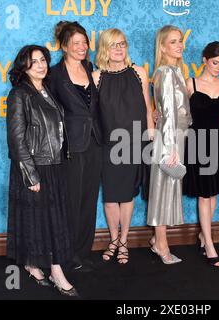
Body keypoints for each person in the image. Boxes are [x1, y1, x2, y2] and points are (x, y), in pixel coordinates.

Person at [6, 45, 78, 296]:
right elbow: (16, 139)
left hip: (54, 165)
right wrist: (30, 174)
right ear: (23, 67)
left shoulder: (46, 90)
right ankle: (56, 271)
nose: (40, 65)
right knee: (39, 219)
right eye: (33, 61)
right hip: (34, 167)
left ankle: (33, 263)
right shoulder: (19, 94)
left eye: (43, 60)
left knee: (48, 219)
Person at [92, 28, 154, 264]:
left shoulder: (139, 73)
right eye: (113, 45)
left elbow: (148, 108)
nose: (119, 49)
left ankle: (124, 240)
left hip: (135, 142)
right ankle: (113, 239)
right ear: (104, 49)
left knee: (127, 196)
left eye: (122, 44)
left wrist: (150, 136)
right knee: (110, 197)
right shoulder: (96, 77)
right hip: (108, 144)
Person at [49, 21, 103, 270]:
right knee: (70, 201)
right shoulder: (54, 74)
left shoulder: (90, 67)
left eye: (85, 42)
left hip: (94, 141)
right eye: (76, 43)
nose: (82, 47)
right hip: (70, 145)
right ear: (64, 46)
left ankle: (82, 253)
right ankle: (65, 255)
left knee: (89, 200)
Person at [183, 41, 219, 267]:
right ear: (204, 60)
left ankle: (204, 235)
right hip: (198, 142)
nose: (218, 67)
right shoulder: (190, 83)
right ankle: (209, 243)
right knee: (205, 194)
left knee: (213, 194)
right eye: (215, 63)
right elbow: (179, 114)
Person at [147, 25, 192, 264]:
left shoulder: (176, 70)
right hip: (169, 139)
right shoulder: (165, 71)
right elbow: (169, 114)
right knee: (162, 189)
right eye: (173, 41)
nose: (179, 45)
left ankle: (158, 241)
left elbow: (167, 111)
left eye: (181, 40)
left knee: (169, 188)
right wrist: (171, 148)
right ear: (162, 47)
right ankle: (160, 244)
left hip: (176, 136)